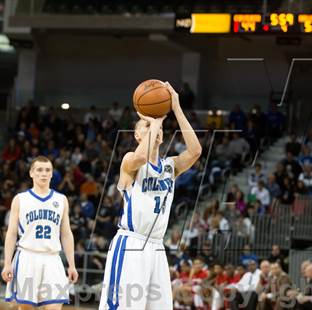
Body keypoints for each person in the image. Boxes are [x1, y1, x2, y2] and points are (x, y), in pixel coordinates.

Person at [99, 82, 202, 309]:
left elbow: (195, 151)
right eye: (146, 125)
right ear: (137, 135)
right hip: (130, 244)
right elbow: (142, 156)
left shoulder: (170, 166)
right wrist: (156, 120)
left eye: (157, 126)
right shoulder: (129, 161)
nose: (154, 126)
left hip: (156, 246)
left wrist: (175, 106)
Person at [2, 156, 78, 308]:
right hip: (27, 257)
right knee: (26, 307)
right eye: (39, 170)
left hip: (52, 259)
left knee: (55, 306)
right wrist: (7, 263)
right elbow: (11, 234)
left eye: (47, 170)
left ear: (51, 174)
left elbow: (66, 234)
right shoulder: (20, 199)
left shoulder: (61, 199)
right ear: (31, 173)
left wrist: (72, 265)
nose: (43, 173)